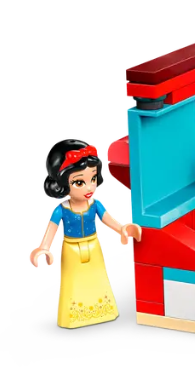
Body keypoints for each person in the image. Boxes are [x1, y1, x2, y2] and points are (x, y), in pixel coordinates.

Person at [30, 139, 141, 328]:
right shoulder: (61, 210)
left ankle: (103, 310)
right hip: (71, 249)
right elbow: (52, 228)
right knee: (73, 281)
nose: (89, 187)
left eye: (93, 179)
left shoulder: (95, 205)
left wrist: (121, 228)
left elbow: (107, 218)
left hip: (93, 245)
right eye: (79, 182)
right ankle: (74, 316)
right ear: (63, 183)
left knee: (98, 276)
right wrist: (44, 248)